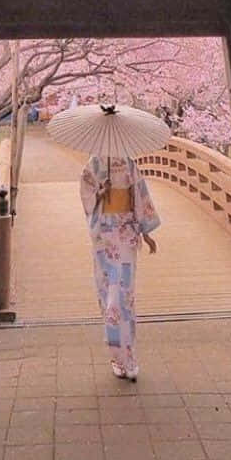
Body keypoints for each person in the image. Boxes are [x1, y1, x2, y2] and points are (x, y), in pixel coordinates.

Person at [79, 154, 160, 380]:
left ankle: (129, 356)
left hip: (126, 235)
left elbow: (139, 196)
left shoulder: (129, 165)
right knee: (109, 298)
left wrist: (146, 232)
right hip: (104, 237)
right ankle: (116, 357)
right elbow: (86, 198)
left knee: (124, 297)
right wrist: (100, 193)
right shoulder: (92, 167)